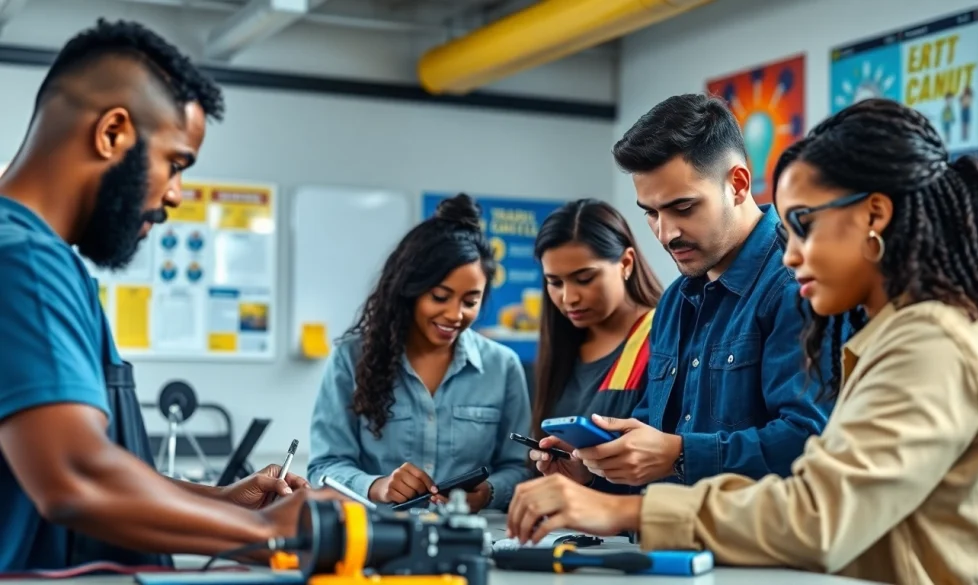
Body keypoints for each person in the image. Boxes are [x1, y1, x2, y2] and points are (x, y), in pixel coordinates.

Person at [506, 98, 978, 585]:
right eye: (652, 213)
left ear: (875, 216)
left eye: (804, 225)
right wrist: (598, 469)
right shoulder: (899, 336)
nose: (791, 254)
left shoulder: (929, 344)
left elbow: (818, 514)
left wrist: (633, 506)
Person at [0, 20, 342, 572]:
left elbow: (90, 460)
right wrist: (270, 532)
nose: (177, 194)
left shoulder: (43, 260)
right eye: (175, 164)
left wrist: (221, 502)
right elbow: (77, 477)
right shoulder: (24, 261)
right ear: (112, 133)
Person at [530, 94, 832, 489]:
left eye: (684, 208)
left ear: (738, 184)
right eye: (651, 212)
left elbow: (808, 441)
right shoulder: (674, 301)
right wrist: (595, 469)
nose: (665, 233)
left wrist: (679, 454)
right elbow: (652, 438)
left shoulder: (797, 283)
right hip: (671, 526)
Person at [307, 194, 531, 513]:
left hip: (471, 533)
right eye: (440, 297)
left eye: (470, 301)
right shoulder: (351, 358)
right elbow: (324, 468)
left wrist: (488, 492)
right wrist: (377, 486)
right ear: (409, 289)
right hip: (379, 534)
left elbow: (519, 467)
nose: (455, 314)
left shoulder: (503, 366)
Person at [528, 199, 661, 484]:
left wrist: (592, 479)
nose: (569, 298)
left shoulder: (662, 336)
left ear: (626, 263)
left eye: (585, 278)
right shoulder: (562, 347)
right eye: (555, 282)